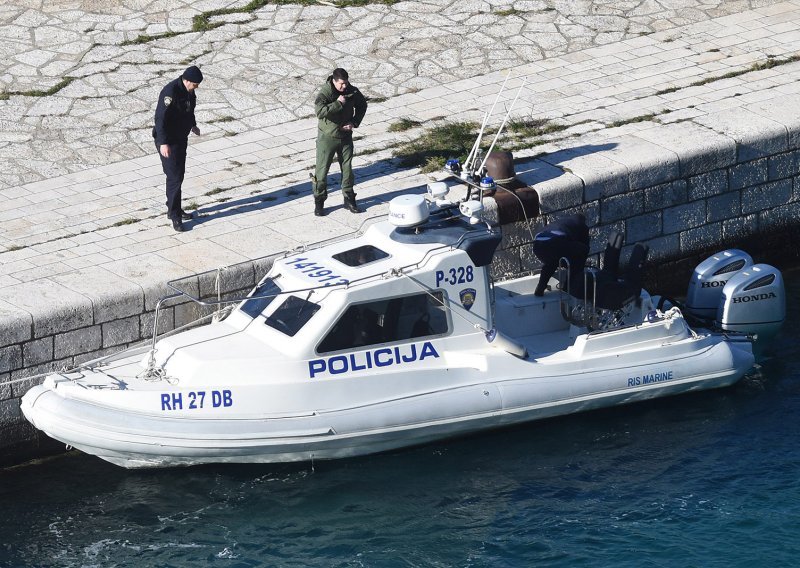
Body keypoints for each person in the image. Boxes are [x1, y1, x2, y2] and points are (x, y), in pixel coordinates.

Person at [312, 68, 368, 216]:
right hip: (327, 138)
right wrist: (337, 103)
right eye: (341, 84)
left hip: (345, 137)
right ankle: (319, 201)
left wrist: (354, 122)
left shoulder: (352, 91)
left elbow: (362, 105)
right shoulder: (325, 92)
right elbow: (319, 112)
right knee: (322, 171)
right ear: (334, 81)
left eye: (346, 83)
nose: (344, 87)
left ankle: (349, 198)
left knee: (348, 169)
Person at [153, 65, 203, 232]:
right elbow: (160, 119)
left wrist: (193, 125)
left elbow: (189, 110)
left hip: (181, 138)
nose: (196, 88)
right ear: (187, 80)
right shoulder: (170, 92)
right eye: (195, 85)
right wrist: (163, 143)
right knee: (174, 177)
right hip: (168, 141)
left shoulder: (188, 90)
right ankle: (175, 216)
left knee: (178, 175)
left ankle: (173, 207)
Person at [532, 213, 590, 296]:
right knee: (582, 251)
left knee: (552, 262)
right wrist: (579, 265)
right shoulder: (582, 225)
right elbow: (585, 246)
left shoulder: (563, 223)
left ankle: (541, 286)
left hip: (537, 245)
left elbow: (566, 247)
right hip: (555, 241)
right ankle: (568, 288)